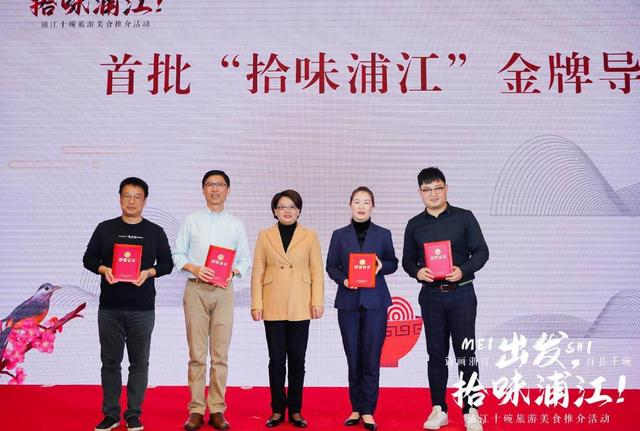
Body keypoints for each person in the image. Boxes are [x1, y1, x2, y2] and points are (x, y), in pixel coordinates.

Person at [83, 177, 173, 431]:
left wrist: (149, 272)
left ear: (145, 201)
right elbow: (88, 259)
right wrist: (104, 269)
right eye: (127, 196)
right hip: (110, 308)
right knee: (110, 363)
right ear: (120, 198)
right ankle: (111, 414)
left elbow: (167, 264)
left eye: (137, 197)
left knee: (139, 363)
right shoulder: (105, 228)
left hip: (142, 309)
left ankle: (133, 414)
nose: (131, 201)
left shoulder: (155, 231)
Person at [402, 167, 489, 431]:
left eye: (437, 188)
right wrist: (417, 272)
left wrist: (463, 269)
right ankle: (439, 408)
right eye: (427, 190)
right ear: (420, 192)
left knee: (466, 354)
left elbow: (482, 251)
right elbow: (407, 260)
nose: (433, 194)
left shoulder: (464, 218)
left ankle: (471, 410)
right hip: (431, 296)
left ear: (446, 188)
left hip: (462, 293)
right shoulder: (414, 224)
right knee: (436, 354)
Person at [172, 170, 251, 431]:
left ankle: (217, 409)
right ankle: (196, 410)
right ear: (203, 189)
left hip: (224, 292)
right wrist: (194, 268)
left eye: (220, 185)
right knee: (196, 354)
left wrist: (233, 272)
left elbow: (245, 260)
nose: (215, 189)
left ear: (228, 190)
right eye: (210, 184)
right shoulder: (192, 220)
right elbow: (178, 253)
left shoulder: (236, 224)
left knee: (220, 355)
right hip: (196, 289)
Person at [326, 186, 398, 431]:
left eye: (366, 202)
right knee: (353, 355)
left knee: (371, 356)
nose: (361, 206)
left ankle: (368, 410)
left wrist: (381, 266)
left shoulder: (383, 234)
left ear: (372, 207)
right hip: (348, 302)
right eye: (357, 201)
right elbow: (331, 266)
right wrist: (343, 280)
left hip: (376, 302)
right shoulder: (339, 235)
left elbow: (393, 262)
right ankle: (356, 407)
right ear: (350, 205)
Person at [250, 190, 324, 429]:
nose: (287, 211)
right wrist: (256, 303)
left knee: (297, 360)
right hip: (272, 302)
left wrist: (317, 301)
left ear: (299, 210)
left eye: (292, 206)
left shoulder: (310, 235)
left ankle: (295, 410)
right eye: (282, 206)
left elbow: (316, 270)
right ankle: (276, 409)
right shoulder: (265, 235)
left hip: (301, 303)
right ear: (275, 210)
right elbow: (258, 270)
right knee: (276, 360)